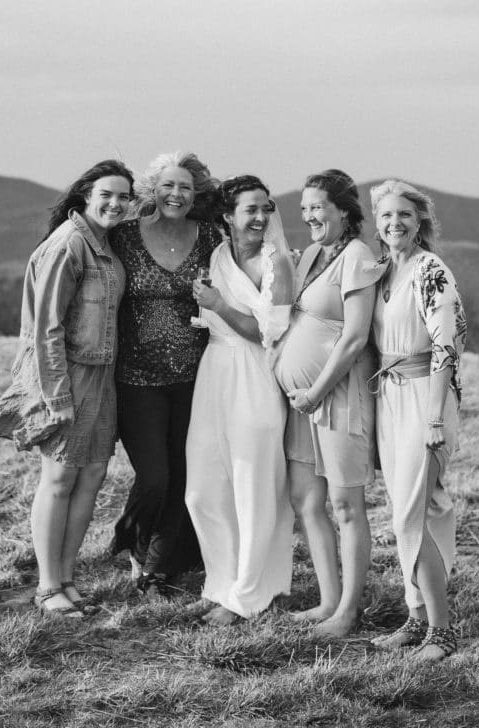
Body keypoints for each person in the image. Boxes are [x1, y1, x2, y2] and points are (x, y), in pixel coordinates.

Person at [0, 159, 134, 616]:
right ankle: (48, 587)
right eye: (107, 194)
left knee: (91, 477)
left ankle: (67, 578)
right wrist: (56, 395)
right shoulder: (68, 245)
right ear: (85, 195)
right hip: (67, 374)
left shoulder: (105, 245)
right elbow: (45, 327)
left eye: (124, 196)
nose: (116, 202)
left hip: (103, 376)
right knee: (59, 477)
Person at [274, 169, 383, 638]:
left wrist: (315, 390)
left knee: (345, 504)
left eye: (318, 207)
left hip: (336, 395)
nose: (309, 216)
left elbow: (356, 335)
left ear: (343, 209)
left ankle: (349, 612)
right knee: (307, 499)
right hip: (302, 402)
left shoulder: (357, 256)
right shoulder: (314, 254)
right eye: (304, 209)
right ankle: (327, 601)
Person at [185, 175, 295, 624]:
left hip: (255, 374)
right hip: (215, 371)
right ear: (228, 216)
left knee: (253, 486)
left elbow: (267, 333)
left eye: (265, 208)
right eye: (250, 209)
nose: (260, 218)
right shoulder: (217, 255)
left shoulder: (278, 265)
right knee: (204, 487)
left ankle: (248, 595)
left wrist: (218, 304)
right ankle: (221, 582)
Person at [111, 151, 219, 594]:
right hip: (136, 379)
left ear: (196, 196)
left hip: (195, 377)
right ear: (152, 190)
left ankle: (155, 567)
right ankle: (131, 538)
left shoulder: (210, 236)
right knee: (154, 476)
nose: (177, 194)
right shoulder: (125, 236)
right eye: (169, 186)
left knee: (182, 473)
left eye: (186, 188)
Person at [369, 179, 467, 661]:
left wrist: (432, 419)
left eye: (404, 215)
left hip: (424, 401)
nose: (395, 223)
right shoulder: (385, 271)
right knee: (417, 510)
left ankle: (442, 634)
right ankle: (416, 617)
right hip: (390, 399)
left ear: (420, 221)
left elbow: (445, 347)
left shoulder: (430, 270)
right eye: (386, 216)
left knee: (411, 516)